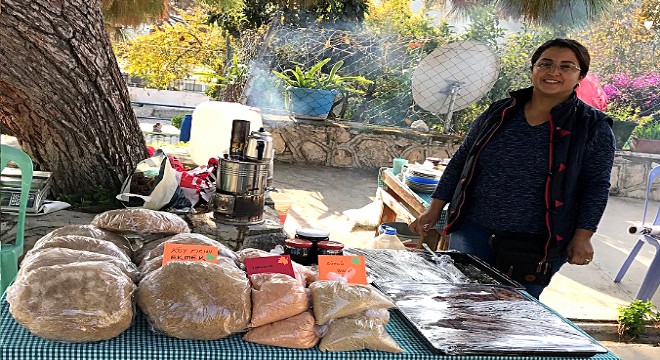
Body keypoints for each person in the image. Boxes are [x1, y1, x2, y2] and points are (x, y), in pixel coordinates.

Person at [409, 38, 615, 299]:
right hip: (472, 228)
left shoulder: (593, 126)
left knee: (512, 314)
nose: (554, 72)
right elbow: (463, 159)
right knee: (462, 301)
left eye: (566, 66)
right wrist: (434, 209)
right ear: (533, 69)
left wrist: (584, 236)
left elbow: (596, 185)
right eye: (546, 64)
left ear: (580, 76)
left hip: (536, 242)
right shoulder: (501, 112)